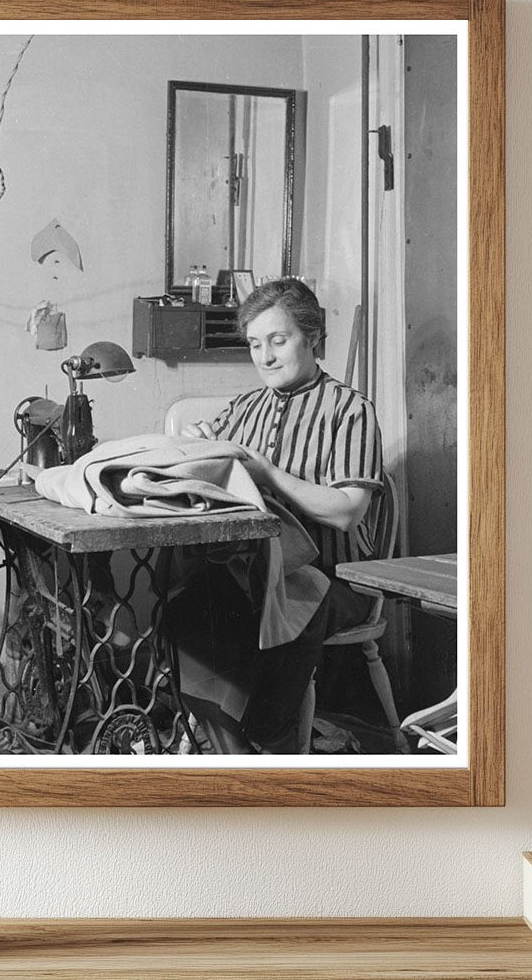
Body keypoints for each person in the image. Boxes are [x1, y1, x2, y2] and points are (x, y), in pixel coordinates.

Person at [171, 277, 384, 754]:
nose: (265, 357)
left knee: (287, 603)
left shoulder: (350, 410)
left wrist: (267, 474)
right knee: (188, 603)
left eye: (278, 340)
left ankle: (267, 738)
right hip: (259, 571)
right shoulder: (244, 408)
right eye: (254, 344)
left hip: (337, 577)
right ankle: (239, 750)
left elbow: (348, 511)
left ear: (312, 338)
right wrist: (198, 450)